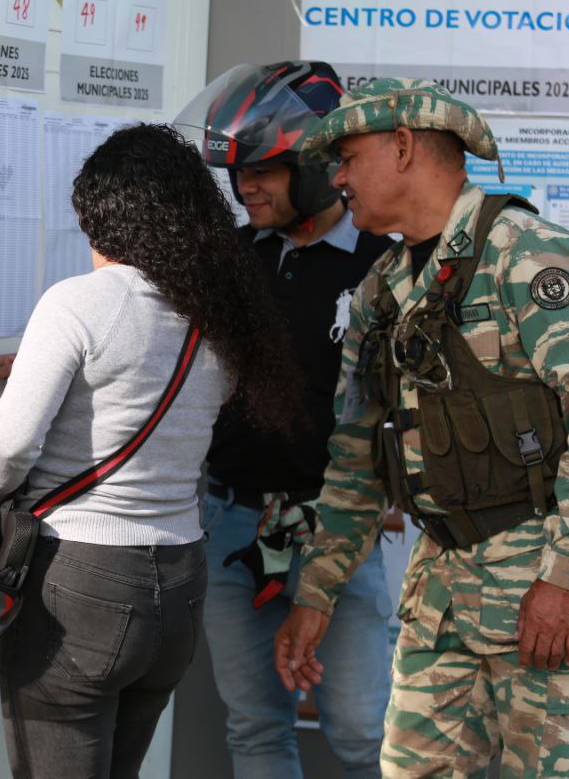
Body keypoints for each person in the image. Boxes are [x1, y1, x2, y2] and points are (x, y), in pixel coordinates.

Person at [273, 78, 569, 777]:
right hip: (442, 600)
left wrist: (564, 579)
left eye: (348, 157)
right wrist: (317, 592)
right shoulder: (381, 292)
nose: (337, 178)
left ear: (403, 147)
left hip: (547, 601)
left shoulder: (525, 254)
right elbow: (356, 458)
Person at [0, 123, 301, 779]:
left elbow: (9, 445)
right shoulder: (220, 315)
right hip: (178, 588)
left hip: (79, 581)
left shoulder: (77, 302)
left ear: (97, 216)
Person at [173, 61, 394, 778]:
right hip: (234, 524)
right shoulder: (230, 261)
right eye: (238, 172)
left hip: (339, 530)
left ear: (319, 167)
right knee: (257, 728)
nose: (246, 187)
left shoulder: (386, 265)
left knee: (363, 732)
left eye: (264, 169)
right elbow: (153, 347)